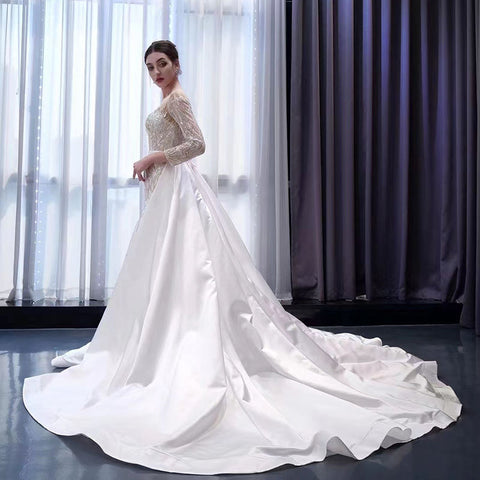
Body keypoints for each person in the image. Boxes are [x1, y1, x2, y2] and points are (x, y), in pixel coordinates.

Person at [22, 40, 462, 475]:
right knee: (165, 275)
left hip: (181, 193)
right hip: (167, 193)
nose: (156, 73)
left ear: (177, 65)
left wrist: (154, 156)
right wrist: (154, 171)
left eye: (162, 64)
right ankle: (161, 341)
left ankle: (185, 346)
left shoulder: (178, 100)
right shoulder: (166, 100)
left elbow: (197, 144)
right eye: (150, 67)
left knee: (193, 272)